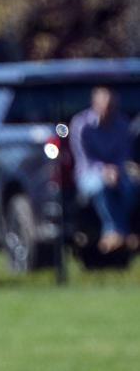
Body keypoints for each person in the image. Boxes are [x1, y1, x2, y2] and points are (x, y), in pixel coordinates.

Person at [68, 86, 140, 254]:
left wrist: (118, 170)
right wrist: (104, 170)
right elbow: (84, 160)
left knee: (131, 188)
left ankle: (117, 234)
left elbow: (124, 156)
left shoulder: (122, 125)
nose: (109, 111)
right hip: (88, 174)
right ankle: (116, 232)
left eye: (112, 106)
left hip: (118, 172)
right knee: (101, 187)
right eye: (106, 106)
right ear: (95, 104)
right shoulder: (81, 125)